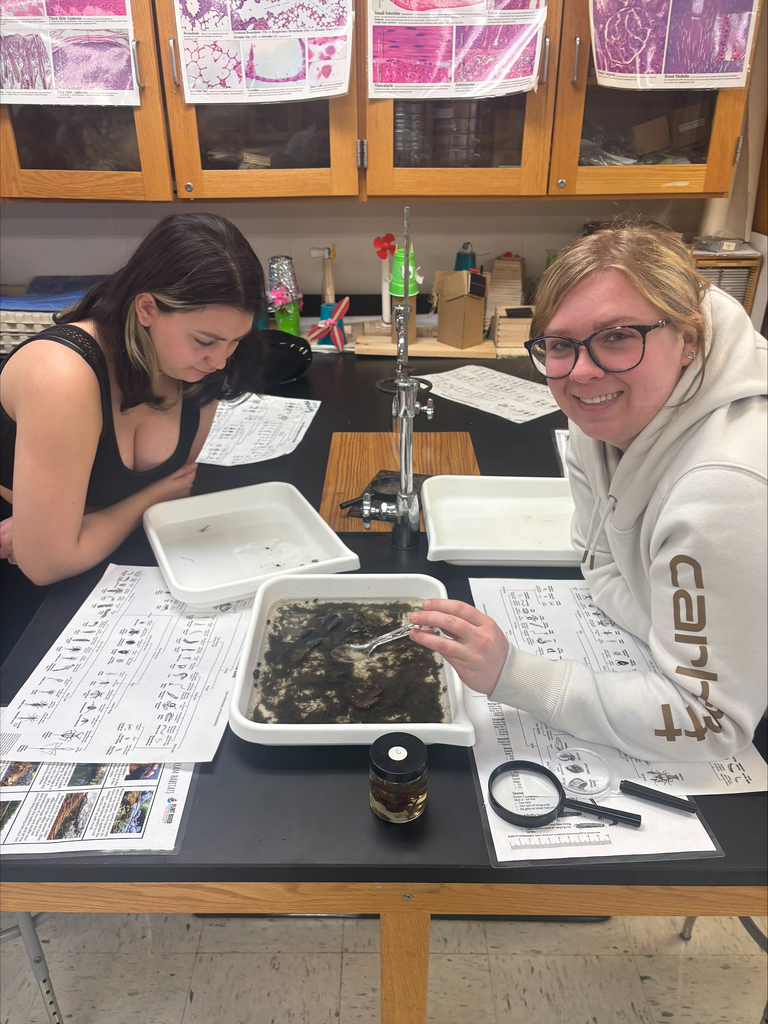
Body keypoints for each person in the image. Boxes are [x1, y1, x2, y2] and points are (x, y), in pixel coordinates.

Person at [410, 222, 767, 761]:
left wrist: (515, 674)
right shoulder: (601, 415)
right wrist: (661, 629)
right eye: (560, 344)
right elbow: (597, 560)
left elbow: (710, 721)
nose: (581, 371)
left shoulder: (724, 491)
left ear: (688, 338)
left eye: (618, 336)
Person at [0, 212, 268, 586]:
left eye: (235, 341)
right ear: (146, 309)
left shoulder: (202, 366)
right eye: (204, 341)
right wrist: (148, 500)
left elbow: (174, 485)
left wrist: (79, 524)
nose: (220, 360)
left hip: (94, 556)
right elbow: (46, 565)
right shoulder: (62, 375)